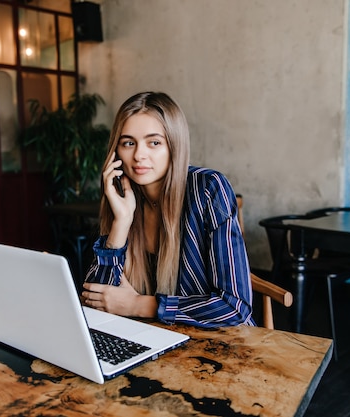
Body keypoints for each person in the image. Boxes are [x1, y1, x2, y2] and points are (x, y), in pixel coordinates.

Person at [82, 92, 254, 328]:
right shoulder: (123, 198)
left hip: (223, 346)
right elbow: (97, 301)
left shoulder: (208, 188)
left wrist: (138, 305)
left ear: (175, 145)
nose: (139, 155)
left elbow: (234, 308)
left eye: (154, 142)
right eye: (128, 143)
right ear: (117, 151)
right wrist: (121, 222)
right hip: (159, 341)